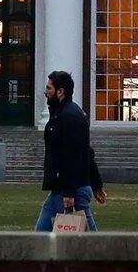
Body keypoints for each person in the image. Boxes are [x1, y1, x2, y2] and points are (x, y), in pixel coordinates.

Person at [36, 70, 98, 231]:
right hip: (61, 188)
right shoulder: (64, 114)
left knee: (90, 240)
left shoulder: (69, 116)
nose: (45, 92)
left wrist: (69, 192)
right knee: (40, 235)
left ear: (60, 91)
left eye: (49, 88)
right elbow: (84, 151)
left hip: (71, 190)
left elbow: (73, 155)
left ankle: (108, 256)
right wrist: (96, 183)